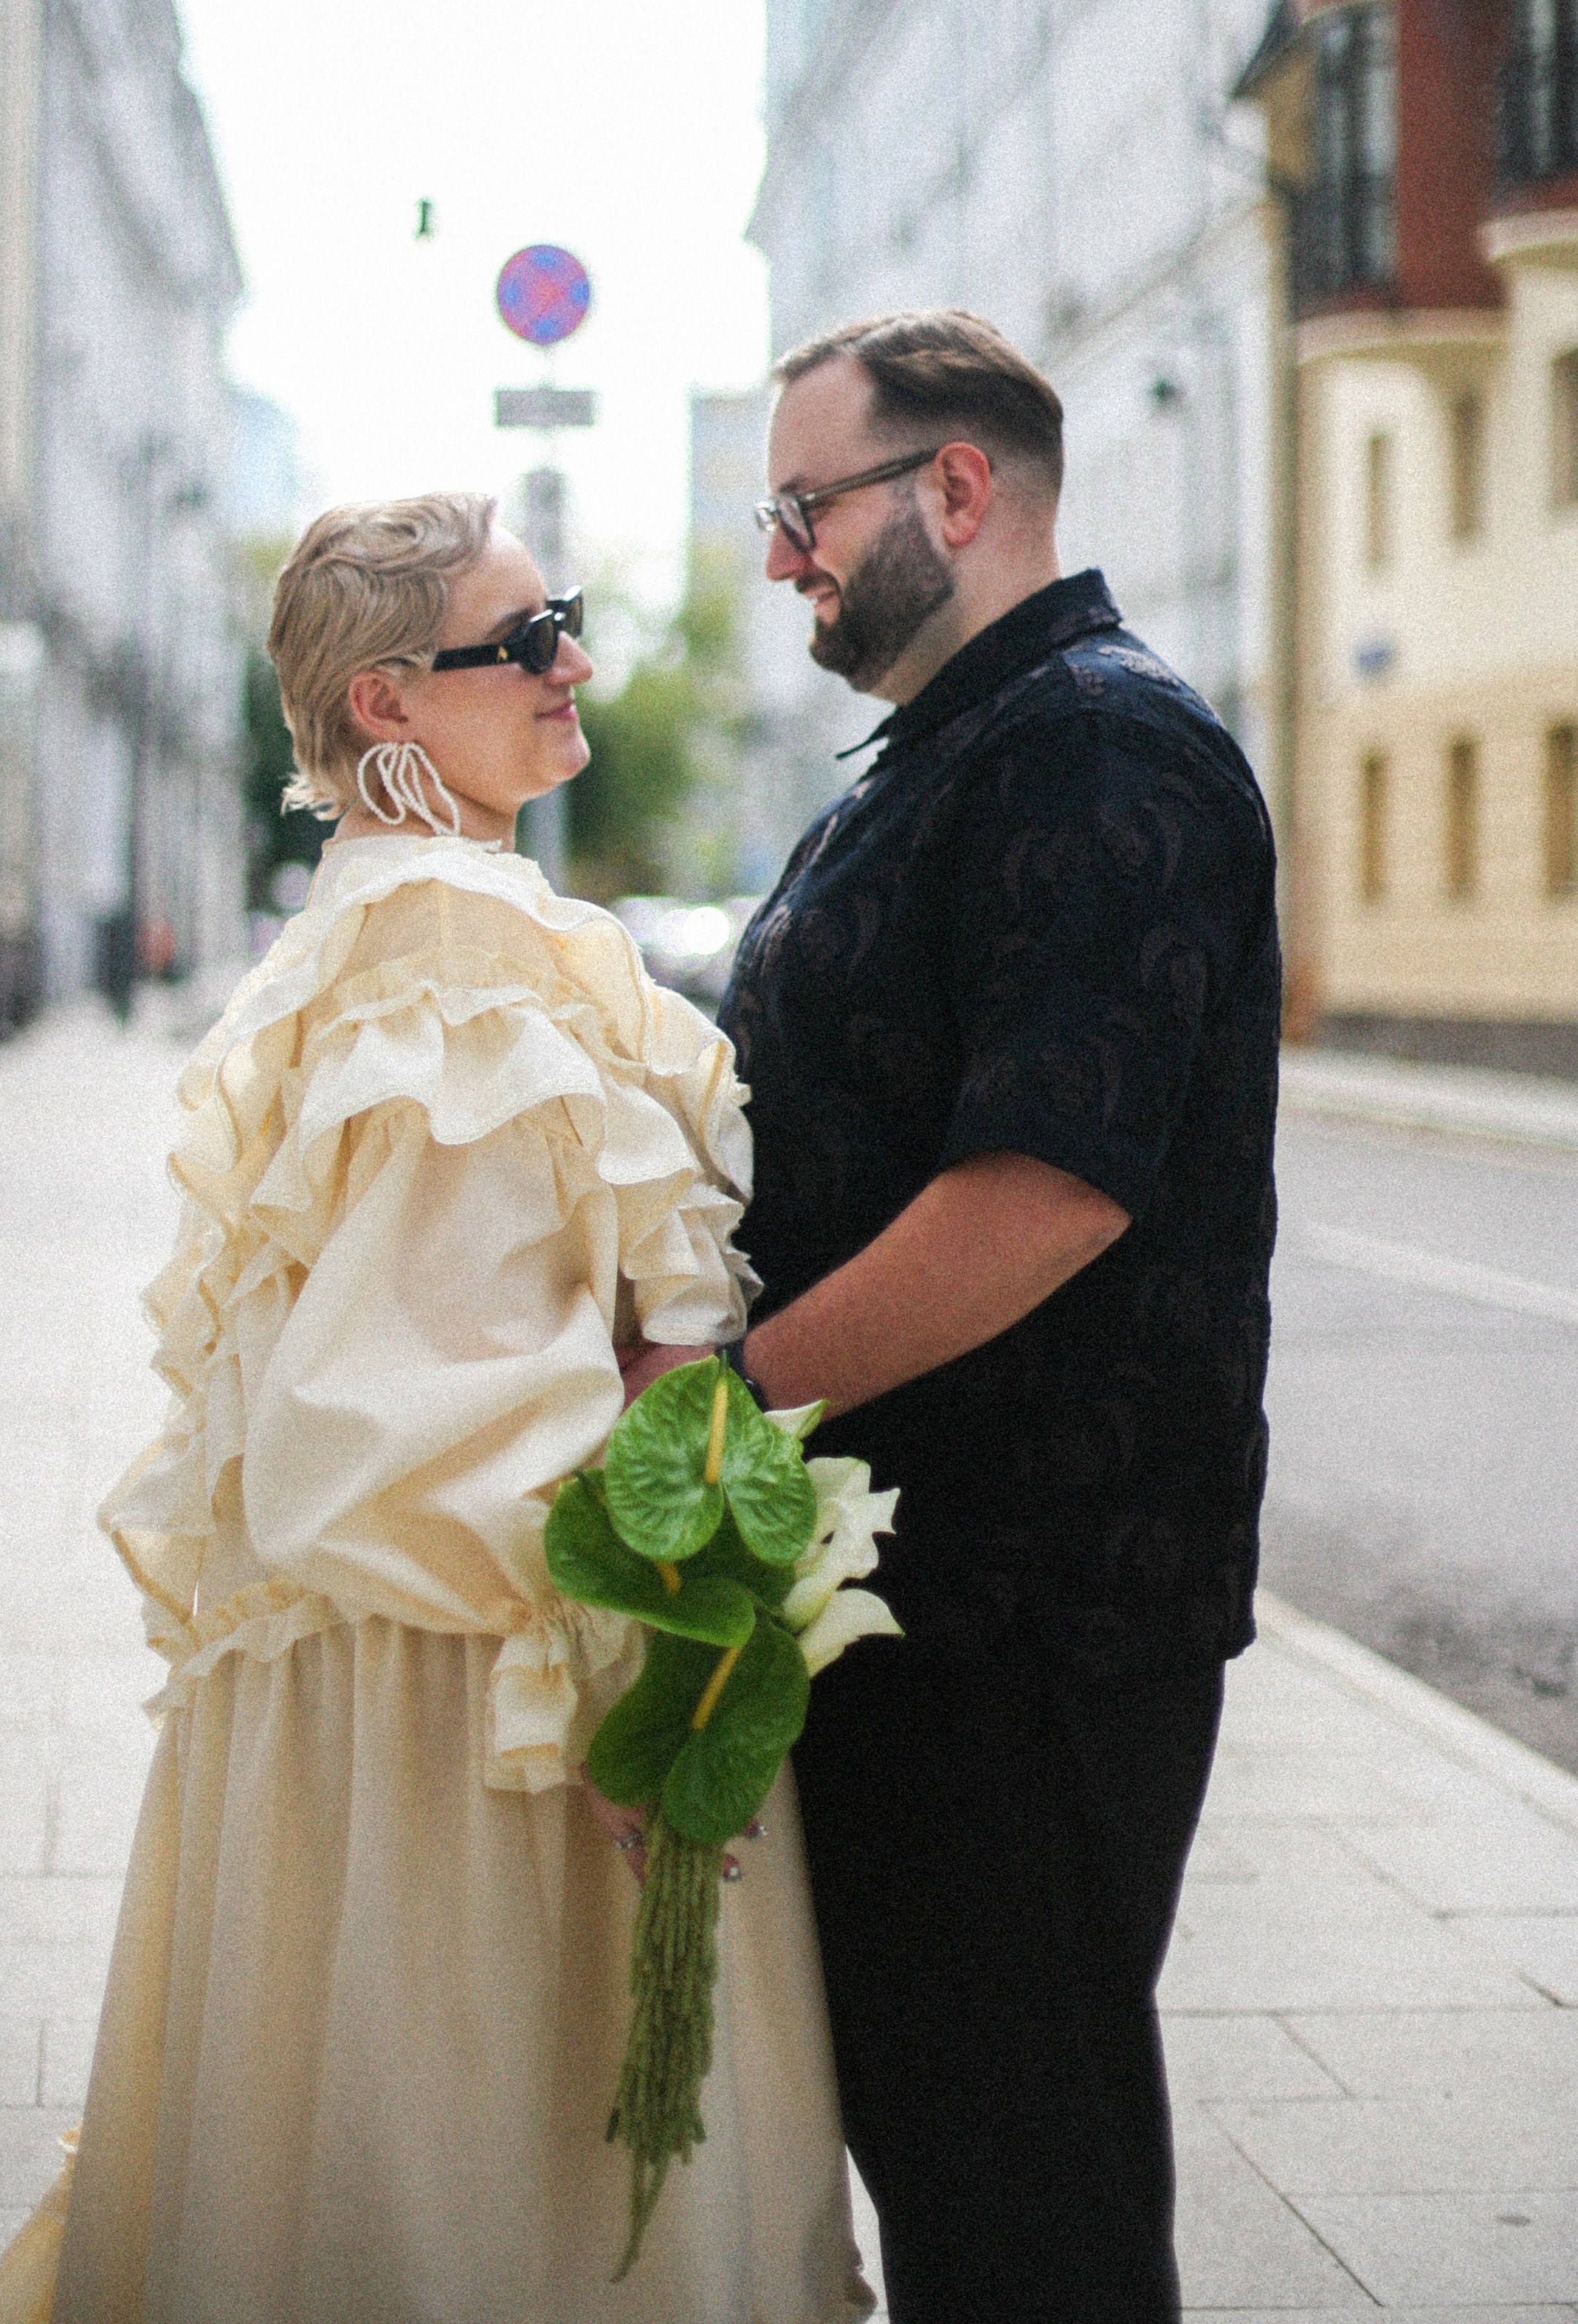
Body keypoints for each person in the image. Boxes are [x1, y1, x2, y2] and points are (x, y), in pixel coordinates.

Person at [0, 493, 870, 2324]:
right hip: (482, 1689)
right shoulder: (444, 941)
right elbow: (429, 1405)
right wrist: (644, 1667)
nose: (575, 663)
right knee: (502, 2181)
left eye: (567, 617)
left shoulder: (392, 929)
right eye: (524, 639)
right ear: (383, 702)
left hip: (402, 1665)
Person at [713, 312, 1280, 2324]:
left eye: (803, 508)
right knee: (961, 2165)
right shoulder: (963, 746)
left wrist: (719, 1403)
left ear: (953, 489)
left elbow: (1041, 1190)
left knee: (1022, 2205)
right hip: (925, 1604)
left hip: (1029, 1619)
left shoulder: (1094, 748)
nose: (778, 556)